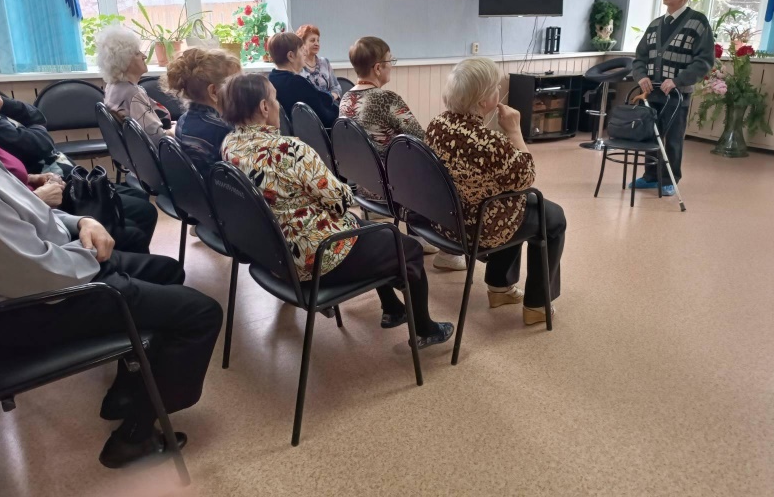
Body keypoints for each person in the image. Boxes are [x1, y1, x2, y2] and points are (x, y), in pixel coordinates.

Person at [0, 159, 223, 469]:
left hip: (58, 263)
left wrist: (81, 221)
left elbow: (33, 214)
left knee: (168, 271)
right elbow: (46, 276)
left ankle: (126, 392)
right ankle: (134, 436)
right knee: (203, 314)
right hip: (40, 302)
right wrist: (90, 250)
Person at [220, 73, 453, 348]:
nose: (277, 103)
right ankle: (425, 329)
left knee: (372, 231)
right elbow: (340, 201)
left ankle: (393, 308)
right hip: (315, 258)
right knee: (409, 249)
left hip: (274, 253)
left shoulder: (229, 145)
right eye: (274, 98)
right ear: (263, 107)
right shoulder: (290, 149)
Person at [426, 57, 567, 326]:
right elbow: (526, 177)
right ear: (482, 100)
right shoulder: (490, 143)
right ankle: (537, 305)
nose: (499, 91)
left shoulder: (437, 125)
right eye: (495, 88)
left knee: (516, 203)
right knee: (552, 217)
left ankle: (500, 288)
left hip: (444, 221)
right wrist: (515, 131)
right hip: (476, 229)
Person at [340, 35, 467, 271]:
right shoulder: (386, 99)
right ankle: (449, 252)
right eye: (390, 61)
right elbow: (422, 140)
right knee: (443, 171)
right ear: (378, 68)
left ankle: (418, 238)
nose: (392, 65)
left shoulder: (346, 98)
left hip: (365, 185)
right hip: (391, 190)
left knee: (408, 164)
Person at [0, 92, 157, 254]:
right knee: (141, 216)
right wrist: (38, 127)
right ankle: (121, 260)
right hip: (59, 189)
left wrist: (4, 103)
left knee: (138, 198)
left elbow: (36, 116)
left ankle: (129, 257)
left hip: (69, 177)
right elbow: (41, 144)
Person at [631, 0, 715, 195]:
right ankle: (650, 176)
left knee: (673, 138)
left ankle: (670, 179)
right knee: (650, 134)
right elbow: (639, 58)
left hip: (677, 95)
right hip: (651, 92)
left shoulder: (698, 22)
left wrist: (678, 81)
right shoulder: (655, 25)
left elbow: (704, 60)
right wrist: (641, 76)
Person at [164, 47, 241, 179]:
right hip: (219, 189)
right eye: (237, 85)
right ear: (214, 92)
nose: (242, 90)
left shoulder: (183, 120)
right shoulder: (224, 131)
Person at [96, 25, 173, 142]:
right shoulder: (133, 94)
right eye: (137, 53)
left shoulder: (113, 87)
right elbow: (157, 137)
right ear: (124, 61)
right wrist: (178, 130)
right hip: (159, 150)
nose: (144, 56)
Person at [267, 32, 339, 127]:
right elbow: (325, 118)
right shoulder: (297, 84)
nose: (305, 53)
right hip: (311, 134)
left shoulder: (271, 79)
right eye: (301, 50)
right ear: (291, 56)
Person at [296, 24, 342, 100]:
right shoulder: (297, 66)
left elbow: (336, 87)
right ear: (302, 43)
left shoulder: (325, 62)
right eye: (312, 40)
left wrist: (330, 98)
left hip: (328, 104)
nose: (316, 43)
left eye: (318, 40)